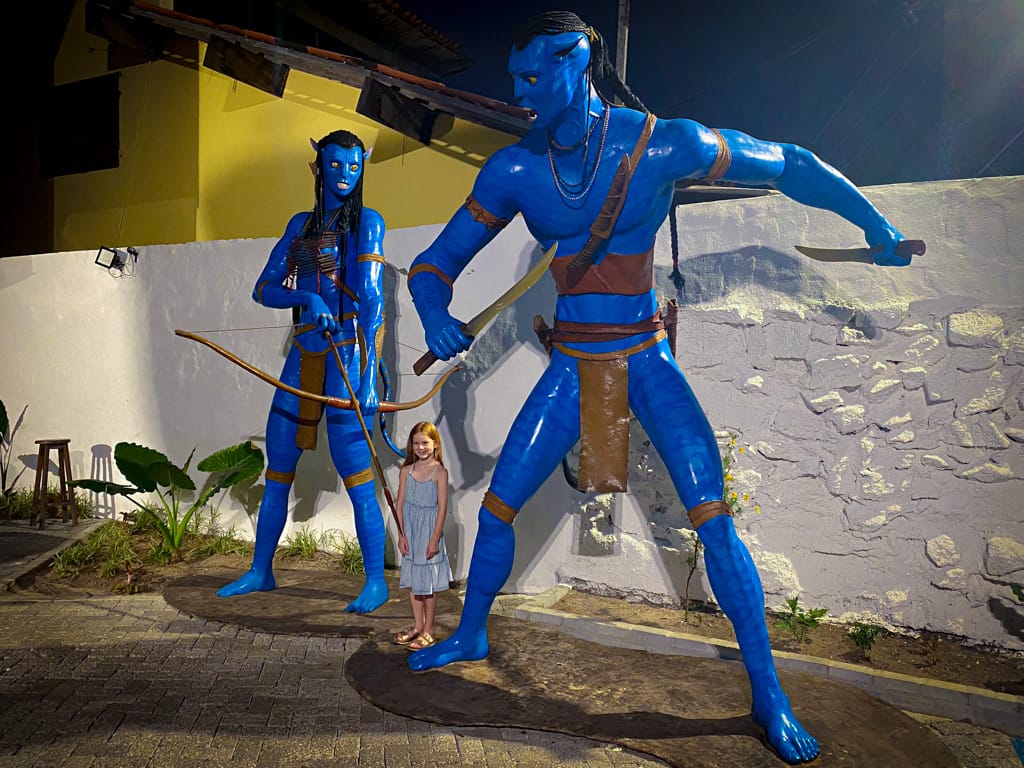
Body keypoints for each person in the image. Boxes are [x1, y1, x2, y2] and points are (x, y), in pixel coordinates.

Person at [405, 11, 923, 764]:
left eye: (531, 75)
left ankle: (767, 693)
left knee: (714, 523)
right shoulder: (514, 170)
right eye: (513, 76)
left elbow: (790, 162)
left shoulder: (663, 145)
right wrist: (434, 313)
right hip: (572, 363)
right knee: (496, 512)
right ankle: (473, 630)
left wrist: (876, 227)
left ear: (576, 57)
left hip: (645, 361)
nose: (516, 91)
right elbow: (431, 267)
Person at [216, 129, 390, 614]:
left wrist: (368, 375)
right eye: (335, 166)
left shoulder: (368, 224)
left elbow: (373, 299)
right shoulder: (300, 225)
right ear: (318, 168)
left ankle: (375, 581)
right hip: (303, 354)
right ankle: (260, 569)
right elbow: (264, 288)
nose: (345, 176)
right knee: (279, 469)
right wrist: (307, 297)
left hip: (346, 354)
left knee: (356, 472)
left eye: (354, 167)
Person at [392, 422, 453, 651]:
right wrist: (401, 534)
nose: (421, 447)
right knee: (414, 584)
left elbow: (442, 509)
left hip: (428, 532)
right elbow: (399, 505)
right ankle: (418, 626)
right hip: (410, 531)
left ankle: (429, 630)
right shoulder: (406, 471)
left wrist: (435, 538)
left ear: (435, 445)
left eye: (425, 443)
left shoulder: (440, 472)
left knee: (427, 585)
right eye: (416, 443)